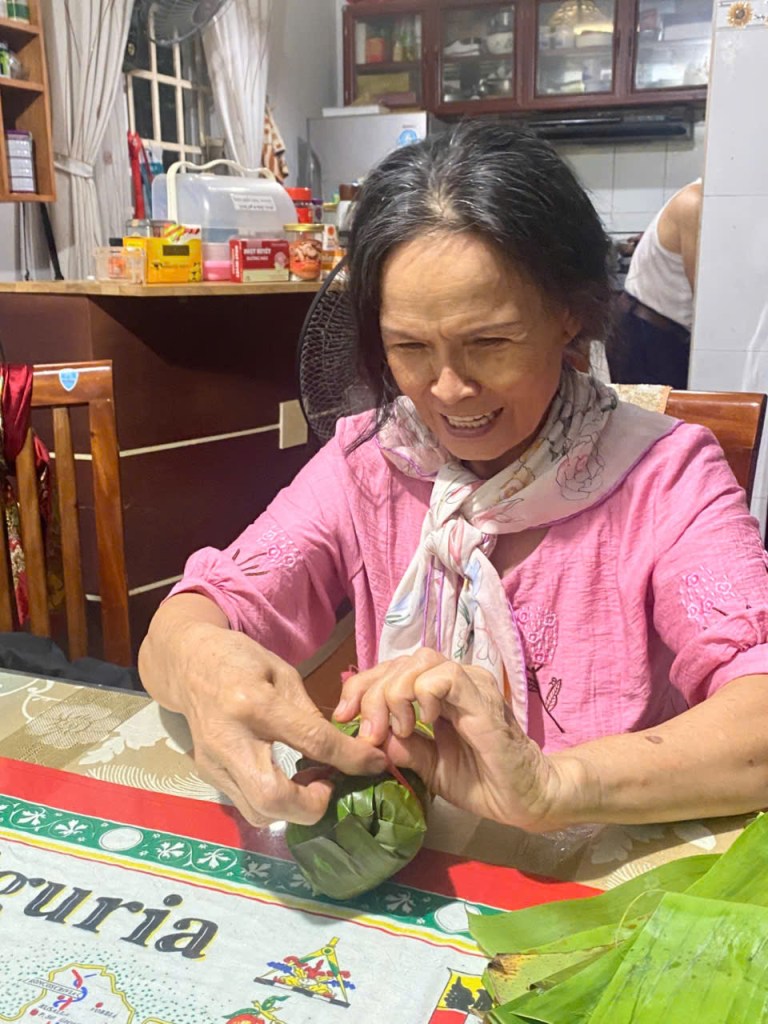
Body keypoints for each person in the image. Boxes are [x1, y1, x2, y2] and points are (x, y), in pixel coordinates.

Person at [139, 124, 768, 836]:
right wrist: (202, 662)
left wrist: (555, 786)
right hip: (412, 858)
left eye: (489, 342)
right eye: (409, 346)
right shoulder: (371, 462)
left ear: (568, 313)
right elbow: (191, 620)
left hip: (602, 868)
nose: (448, 390)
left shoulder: (665, 478)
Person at [609, 179, 702, 389]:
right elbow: (705, 296)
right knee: (656, 409)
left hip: (664, 333)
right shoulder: (695, 202)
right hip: (648, 333)